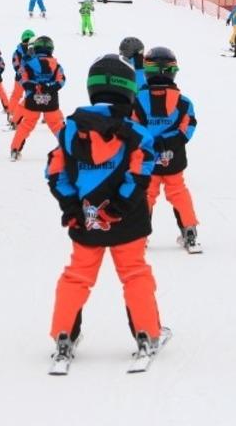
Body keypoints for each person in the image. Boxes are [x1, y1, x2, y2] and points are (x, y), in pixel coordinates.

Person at [45, 55, 164, 367]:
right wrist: (121, 204)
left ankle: (63, 334)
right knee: (135, 273)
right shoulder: (135, 132)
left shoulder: (71, 130)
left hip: (86, 218)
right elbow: (141, 172)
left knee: (76, 276)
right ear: (128, 91)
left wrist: (71, 205)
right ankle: (146, 333)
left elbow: (55, 171)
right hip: (128, 219)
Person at [132, 46, 201, 252]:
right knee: (178, 192)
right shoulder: (183, 102)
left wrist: (150, 143)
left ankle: (140, 234)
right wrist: (172, 142)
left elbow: (133, 126)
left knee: (146, 193)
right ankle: (189, 230)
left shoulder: (138, 100)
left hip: (147, 158)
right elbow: (189, 126)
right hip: (174, 157)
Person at [10, 35, 66, 160]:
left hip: (32, 100)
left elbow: (22, 79)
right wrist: (49, 86)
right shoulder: (56, 65)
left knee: (26, 125)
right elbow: (61, 80)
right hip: (51, 101)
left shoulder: (29, 64)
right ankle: (68, 148)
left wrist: (34, 86)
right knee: (57, 125)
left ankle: (15, 149)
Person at [8, 30, 35, 123]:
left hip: (21, 78)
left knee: (16, 95)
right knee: (36, 95)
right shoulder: (35, 50)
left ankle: (11, 112)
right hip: (30, 79)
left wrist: (21, 72)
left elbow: (15, 63)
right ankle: (13, 113)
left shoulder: (18, 51)